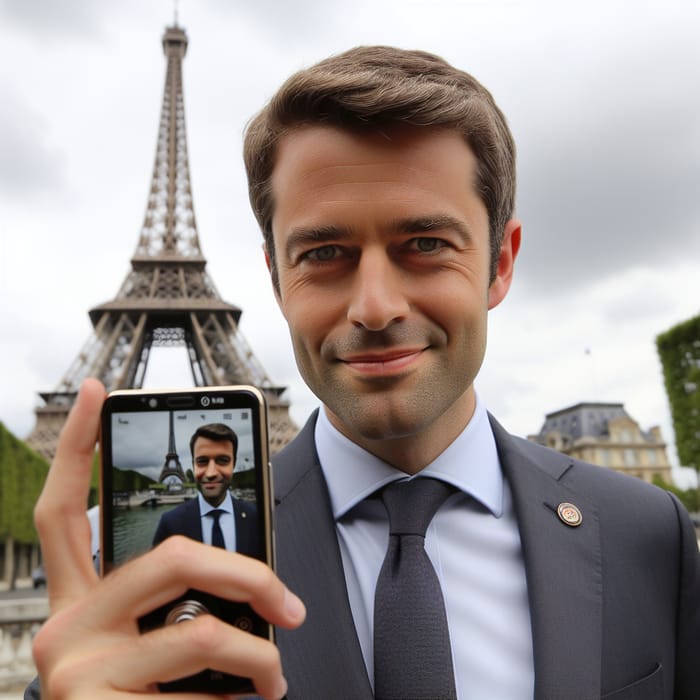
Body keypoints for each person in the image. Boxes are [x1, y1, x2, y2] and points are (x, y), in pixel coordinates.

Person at [27, 46, 699, 700]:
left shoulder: (648, 534)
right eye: (324, 252)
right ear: (277, 279)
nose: (375, 308)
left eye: (426, 245)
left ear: (500, 262)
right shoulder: (134, 562)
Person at [151, 423, 260, 557]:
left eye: (223, 460)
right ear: (193, 464)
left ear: (234, 463)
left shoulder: (257, 518)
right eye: (202, 461)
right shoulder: (169, 523)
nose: (211, 473)